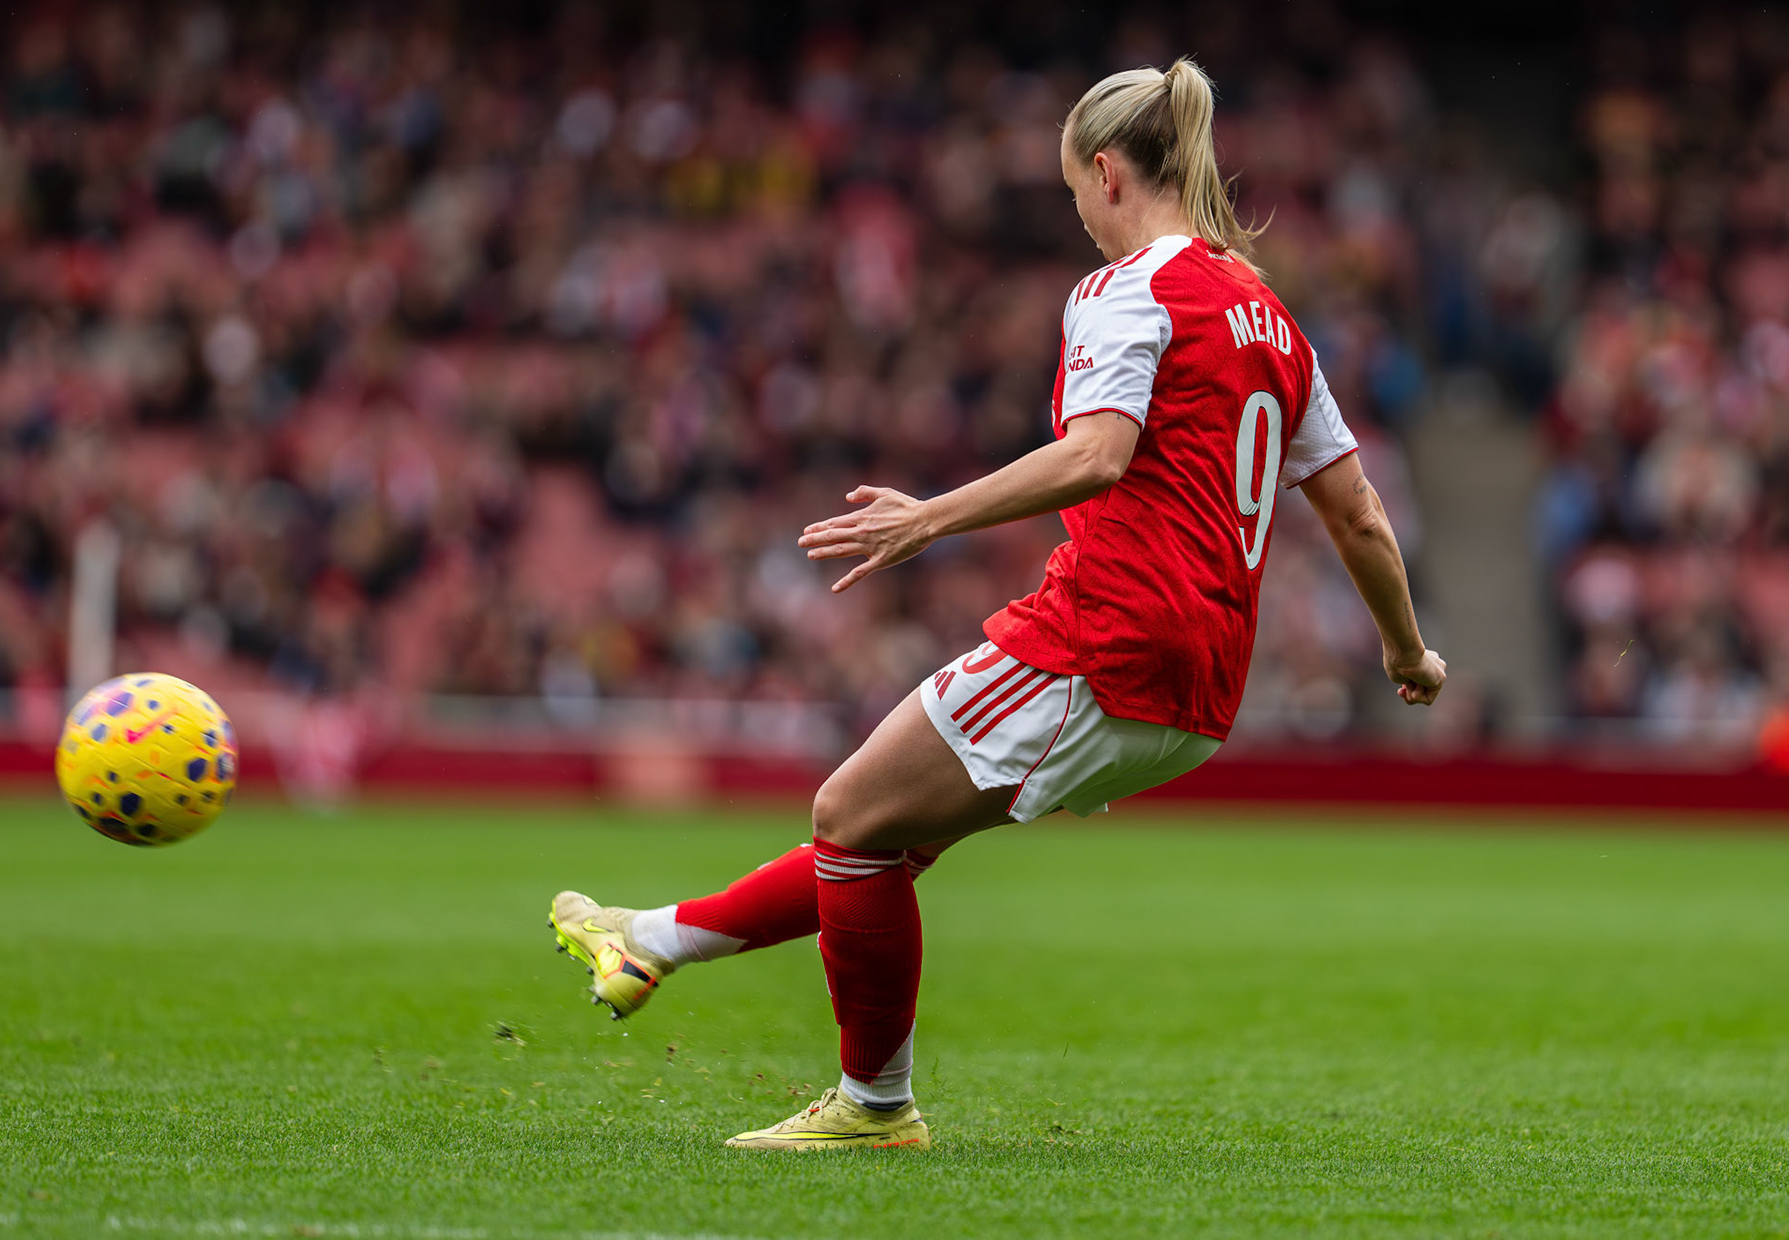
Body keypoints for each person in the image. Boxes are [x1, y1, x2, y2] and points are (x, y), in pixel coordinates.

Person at [547, 58, 1447, 1151]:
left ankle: (875, 1107)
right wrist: (1408, 652)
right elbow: (1357, 514)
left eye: (1074, 189)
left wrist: (929, 517)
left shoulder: (1126, 291)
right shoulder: (1271, 319)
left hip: (1105, 636)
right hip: (1202, 689)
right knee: (883, 840)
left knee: (846, 814)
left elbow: (1097, 454)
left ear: (1107, 173)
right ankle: (652, 941)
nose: (1078, 215)